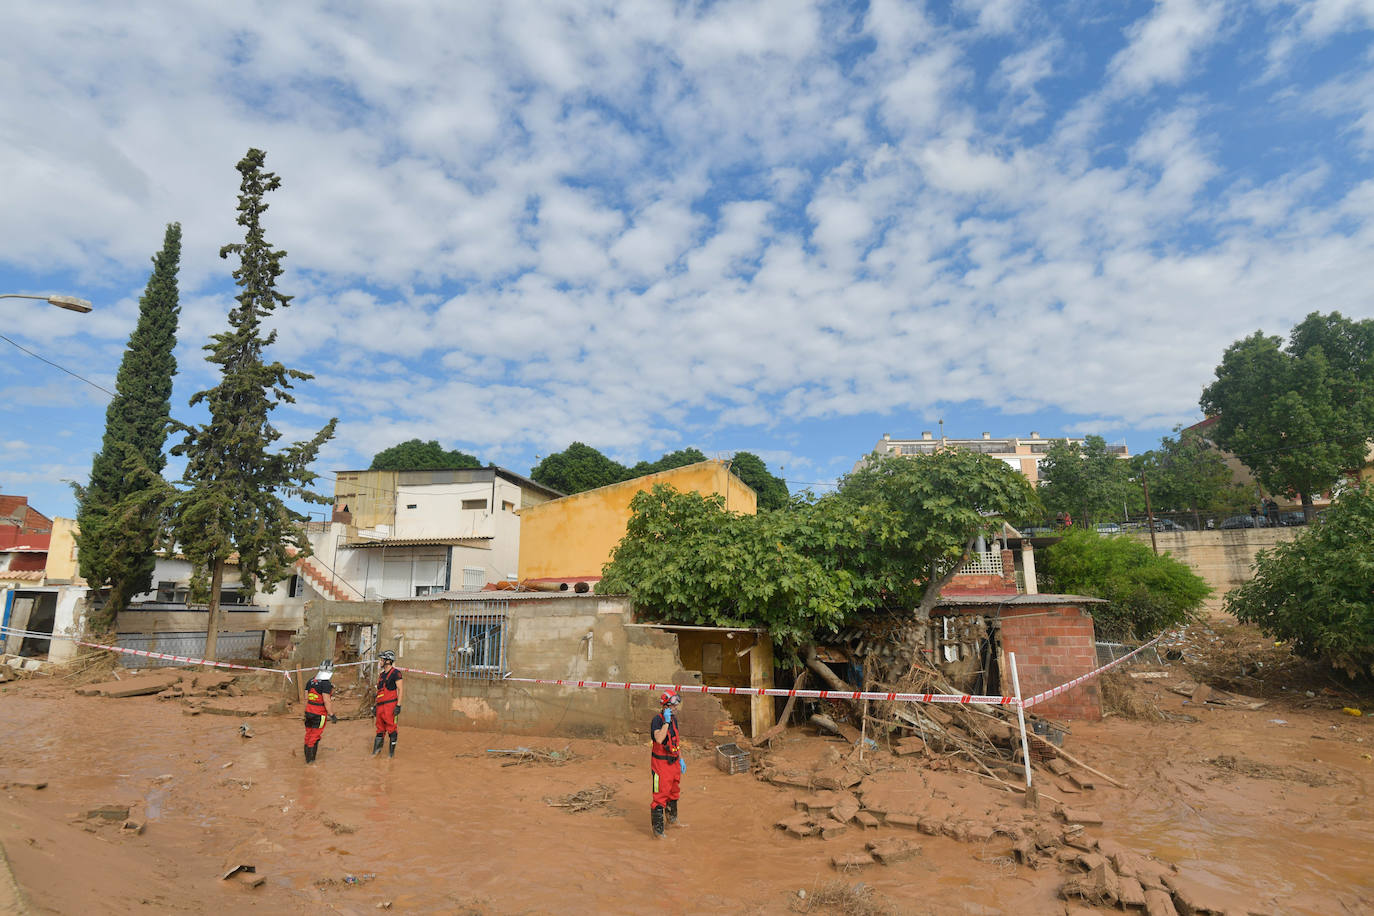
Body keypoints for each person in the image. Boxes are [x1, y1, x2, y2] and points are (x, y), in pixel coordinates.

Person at [649, 688, 687, 839]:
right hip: (661, 765)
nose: (676, 708)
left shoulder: (674, 720)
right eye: (673, 706)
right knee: (660, 796)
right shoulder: (657, 720)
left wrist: (681, 758)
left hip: (674, 762)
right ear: (665, 706)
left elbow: (676, 741)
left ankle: (672, 820)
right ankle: (658, 832)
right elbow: (659, 739)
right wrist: (665, 722)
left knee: (674, 792)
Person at [303, 660, 337, 764]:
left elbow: (305, 698)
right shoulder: (326, 684)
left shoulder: (310, 681)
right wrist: (332, 715)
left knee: (308, 734)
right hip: (319, 713)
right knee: (315, 736)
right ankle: (310, 762)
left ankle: (307, 760)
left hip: (308, 711)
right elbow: (327, 701)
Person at [372, 650, 404, 757]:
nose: (380, 661)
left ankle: (391, 755)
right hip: (380, 706)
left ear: (388, 661)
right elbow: (379, 691)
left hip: (390, 706)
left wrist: (398, 706)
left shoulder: (396, 673)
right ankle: (376, 753)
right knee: (380, 729)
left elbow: (400, 689)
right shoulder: (381, 675)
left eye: (382, 659)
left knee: (392, 729)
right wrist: (375, 706)